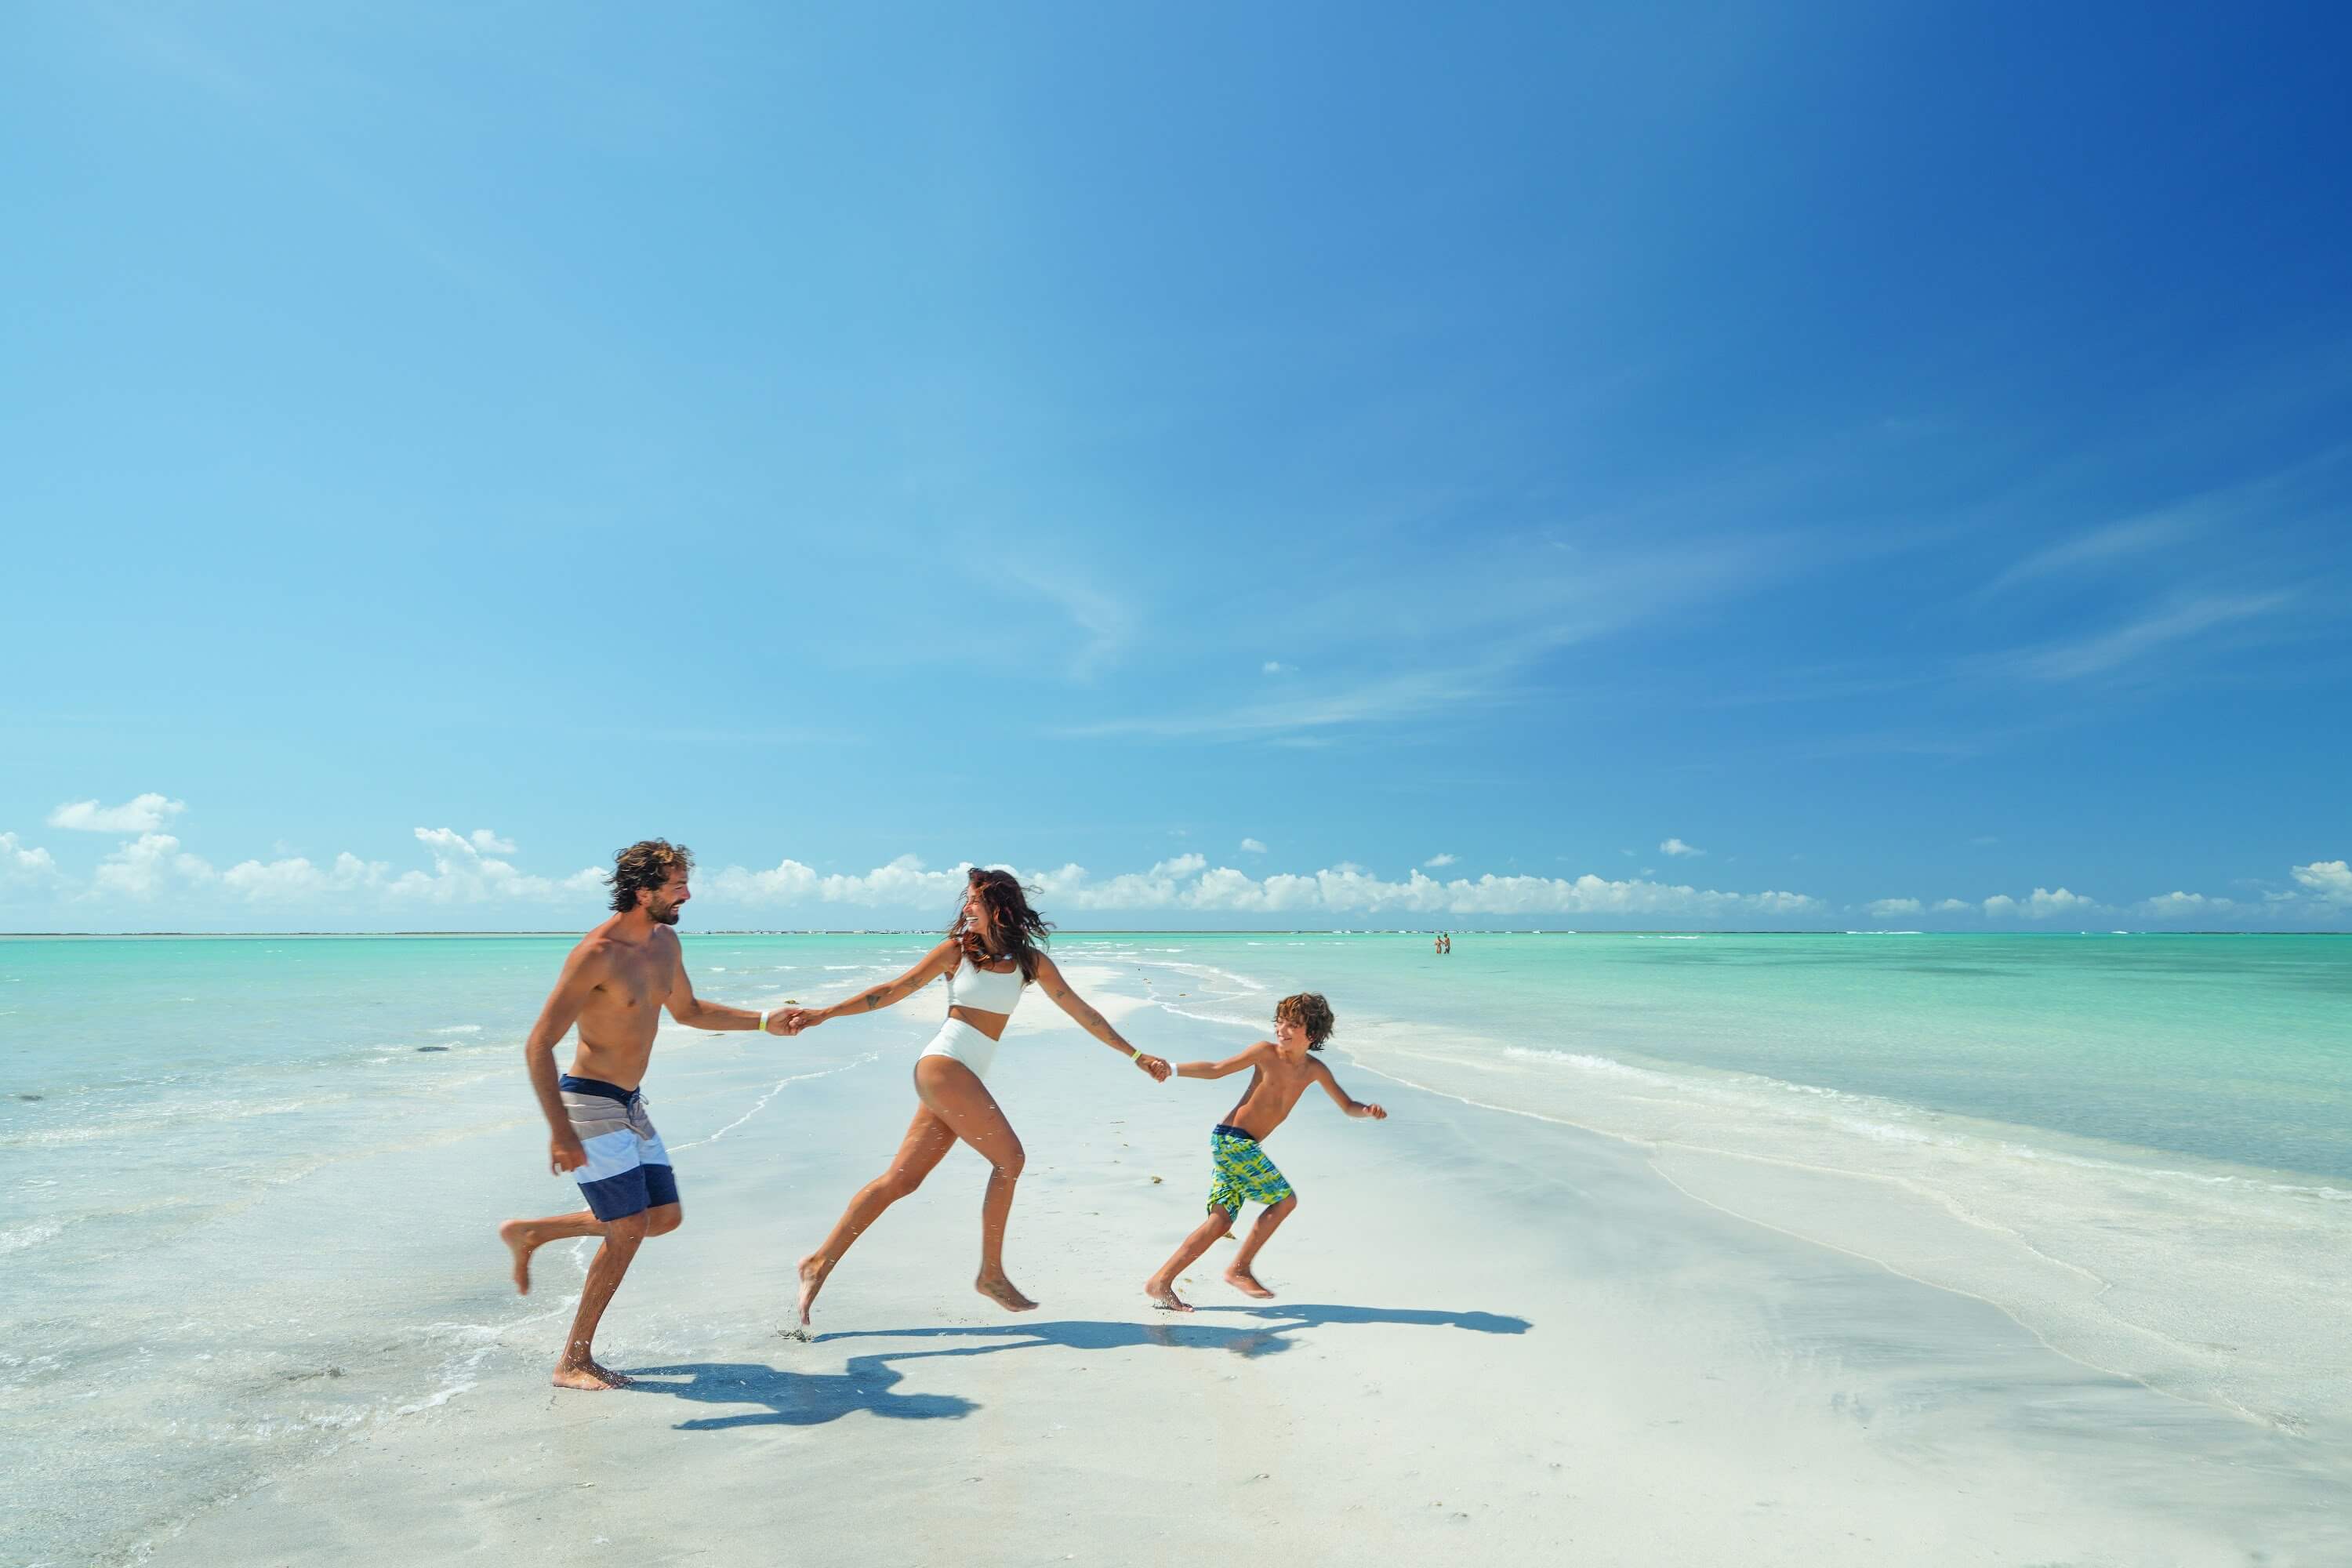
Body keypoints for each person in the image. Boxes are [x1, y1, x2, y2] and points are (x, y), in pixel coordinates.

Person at [778, 868, 1171, 1327]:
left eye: (973, 901)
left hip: (957, 1076)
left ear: (999, 907)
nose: (965, 908)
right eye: (966, 900)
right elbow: (889, 992)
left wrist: (1135, 1055)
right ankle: (991, 1273)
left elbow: (1083, 1012)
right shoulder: (955, 953)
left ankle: (818, 1263)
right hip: (944, 1066)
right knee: (1011, 1159)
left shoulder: (1029, 963)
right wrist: (825, 1013)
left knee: (900, 1181)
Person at [495, 840, 788, 1391]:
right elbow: (539, 1044)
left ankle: (534, 1231)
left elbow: (689, 1011)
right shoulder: (596, 954)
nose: (687, 894)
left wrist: (765, 1020)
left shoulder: (665, 944)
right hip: (588, 1102)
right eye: (677, 887)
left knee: (664, 1217)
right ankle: (573, 1361)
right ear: (643, 891)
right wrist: (560, 1131)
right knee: (627, 1228)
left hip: (630, 1102)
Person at [1143, 993, 1386, 1312]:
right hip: (1233, 1141)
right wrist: (1171, 1068)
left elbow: (1347, 1106)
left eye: (1292, 1024)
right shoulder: (1264, 1053)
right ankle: (1239, 1269)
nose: (1281, 1029)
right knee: (1285, 1200)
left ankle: (1160, 1282)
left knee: (1220, 1223)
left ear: (1311, 1034)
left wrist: (1366, 1111)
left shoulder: (1315, 1070)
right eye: (1279, 1021)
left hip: (1239, 1145)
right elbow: (1217, 1069)